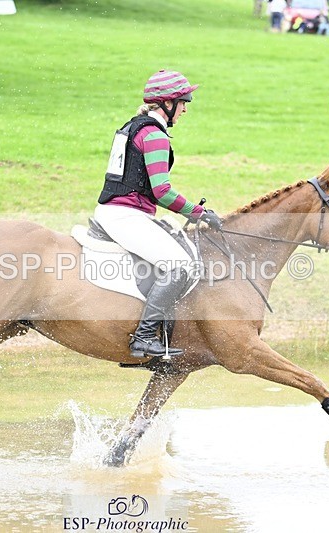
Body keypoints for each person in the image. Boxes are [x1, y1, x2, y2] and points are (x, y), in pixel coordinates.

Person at [95, 70, 222, 359]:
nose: (186, 109)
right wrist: (199, 212)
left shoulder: (135, 126)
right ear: (167, 103)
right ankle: (143, 337)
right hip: (125, 216)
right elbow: (162, 192)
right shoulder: (153, 135)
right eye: (183, 102)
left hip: (117, 211)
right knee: (181, 266)